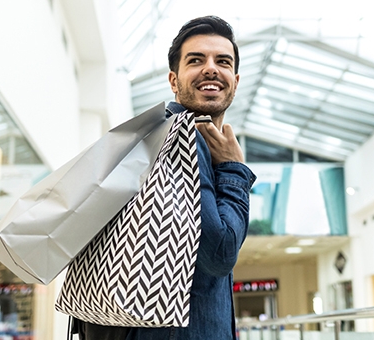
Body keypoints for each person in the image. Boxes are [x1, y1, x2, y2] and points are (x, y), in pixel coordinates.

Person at [72, 15, 256, 340]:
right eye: (196, 60)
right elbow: (219, 254)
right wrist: (233, 170)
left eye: (222, 61)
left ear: (236, 80)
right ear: (174, 81)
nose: (211, 68)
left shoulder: (153, 136)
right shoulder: (184, 137)